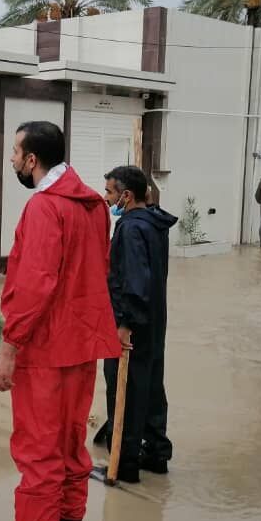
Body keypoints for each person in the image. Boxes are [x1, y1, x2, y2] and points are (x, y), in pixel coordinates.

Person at [0, 121, 120, 521]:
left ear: (32, 160)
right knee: (70, 444)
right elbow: (96, 270)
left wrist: (9, 348)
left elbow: (33, 283)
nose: (12, 160)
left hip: (45, 348)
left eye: (15, 153)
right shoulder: (95, 205)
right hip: (84, 344)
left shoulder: (44, 208)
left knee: (38, 450)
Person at [98, 165, 177, 483]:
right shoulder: (155, 223)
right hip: (155, 320)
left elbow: (132, 279)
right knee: (151, 385)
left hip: (132, 322)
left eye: (109, 192)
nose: (106, 198)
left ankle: (126, 461)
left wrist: (124, 324)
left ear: (126, 196)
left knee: (125, 388)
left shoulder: (130, 229)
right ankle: (157, 452)